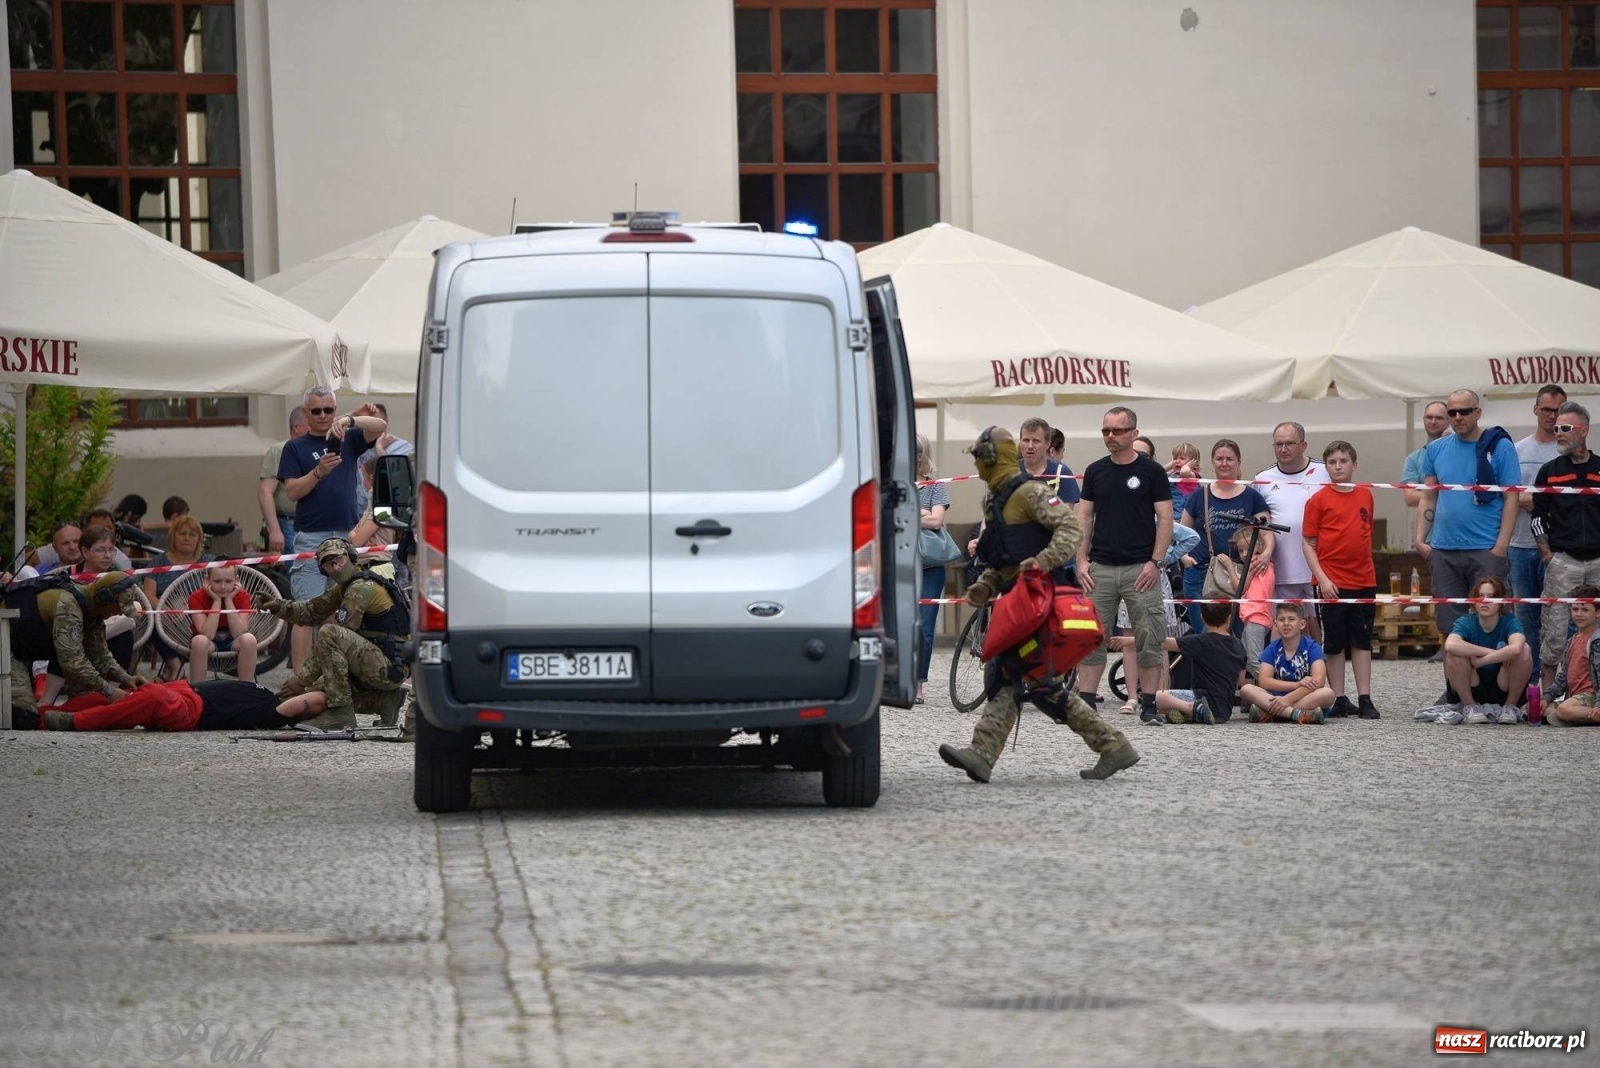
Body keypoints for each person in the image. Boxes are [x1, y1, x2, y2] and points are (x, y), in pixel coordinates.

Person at [936, 427, 1139, 783]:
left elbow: (1070, 530)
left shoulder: (1029, 493)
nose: (975, 464)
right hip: (1018, 602)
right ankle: (1113, 746)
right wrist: (986, 584)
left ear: (992, 458)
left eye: (978, 457)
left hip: (1042, 602)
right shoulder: (995, 501)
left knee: (1013, 673)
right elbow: (1004, 558)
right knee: (1038, 683)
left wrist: (1044, 561)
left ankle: (982, 754)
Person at [1074, 406, 1173, 726]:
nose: (1110, 437)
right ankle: (1085, 704)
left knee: (1148, 636)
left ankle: (1148, 705)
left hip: (1140, 569)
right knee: (1091, 636)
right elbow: (1084, 516)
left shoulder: (1152, 472)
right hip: (1100, 568)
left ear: (1134, 433)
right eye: (1106, 431)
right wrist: (1080, 560)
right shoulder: (1095, 471)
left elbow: (1166, 518)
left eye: (1117, 431)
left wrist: (1155, 562)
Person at [277, 388, 386, 675]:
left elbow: (380, 426)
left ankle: (330, 675)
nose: (323, 416)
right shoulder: (295, 447)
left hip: (344, 537)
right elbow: (291, 492)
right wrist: (317, 473)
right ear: (306, 413)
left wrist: (351, 419)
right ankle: (300, 678)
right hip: (312, 536)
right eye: (316, 411)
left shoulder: (346, 437)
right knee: (305, 612)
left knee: (337, 613)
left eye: (329, 410)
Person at [260, 538, 408, 731]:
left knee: (330, 633)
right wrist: (278, 606)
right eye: (328, 563)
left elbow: (335, 637)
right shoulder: (346, 586)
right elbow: (312, 610)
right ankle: (384, 700)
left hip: (388, 667)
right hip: (384, 664)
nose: (335, 566)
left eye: (339, 559)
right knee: (317, 690)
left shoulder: (360, 588)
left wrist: (301, 679)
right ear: (323, 570)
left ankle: (341, 715)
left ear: (351, 557)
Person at [1417, 389, 1518, 645]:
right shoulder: (1436, 449)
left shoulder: (1500, 446)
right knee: (1449, 628)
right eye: (1452, 412)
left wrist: (1501, 547)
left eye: (1465, 411)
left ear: (1478, 412)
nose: (1458, 417)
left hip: (1486, 548)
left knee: (1493, 623)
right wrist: (1420, 539)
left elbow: (1511, 497)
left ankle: (1491, 685)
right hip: (1443, 549)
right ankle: (1455, 685)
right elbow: (1429, 495)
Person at [2, 571, 149, 729]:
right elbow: (72, 662)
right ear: (103, 597)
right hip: (5, 650)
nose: (118, 613)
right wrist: (109, 691)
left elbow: (99, 654)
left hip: (18, 651)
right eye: (117, 607)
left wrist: (125, 678)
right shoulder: (69, 606)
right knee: (23, 718)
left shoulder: (92, 609)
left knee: (84, 702)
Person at [1302, 440, 1381, 720]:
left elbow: (1365, 534)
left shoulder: (1365, 495)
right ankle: (1338, 696)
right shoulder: (1318, 500)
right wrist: (1322, 579)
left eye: (1343, 461)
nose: (1338, 466)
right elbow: (1308, 543)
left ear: (1354, 465)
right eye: (1332, 462)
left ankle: (1365, 697)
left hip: (1363, 579)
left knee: (1361, 640)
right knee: (1333, 642)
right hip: (1330, 582)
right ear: (1326, 467)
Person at [1532, 401, 1600, 688]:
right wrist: (1549, 555)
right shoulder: (1549, 471)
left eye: (1565, 428)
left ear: (1583, 432)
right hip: (1563, 561)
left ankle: (1593, 694)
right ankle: (1546, 698)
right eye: (1557, 428)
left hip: (1599, 561)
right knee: (1555, 631)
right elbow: (1537, 517)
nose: (1558, 433)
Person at [1181, 439, 1272, 633]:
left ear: (1239, 462)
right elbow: (1181, 532)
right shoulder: (1199, 495)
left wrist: (1267, 554)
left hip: (1239, 575)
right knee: (1206, 635)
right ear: (1212, 462)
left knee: (1235, 635)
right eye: (1219, 458)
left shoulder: (1252, 496)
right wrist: (1183, 557)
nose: (1224, 463)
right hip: (1200, 573)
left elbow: (1267, 531)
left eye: (1229, 459)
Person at [1254, 421, 1330, 639]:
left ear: (1304, 445)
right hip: (1282, 568)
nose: (1283, 449)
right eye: (1278, 444)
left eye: (1289, 443)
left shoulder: (1324, 472)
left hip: (1318, 568)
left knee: (1316, 626)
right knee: (1285, 626)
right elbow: (1260, 524)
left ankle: (1318, 670)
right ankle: (1281, 672)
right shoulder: (1262, 479)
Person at [1111, 601, 1245, 724]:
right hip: (1225, 709)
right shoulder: (1239, 645)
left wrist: (1129, 641)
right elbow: (1241, 680)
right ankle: (1192, 714)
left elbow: (1163, 642)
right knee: (1166, 704)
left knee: (1157, 696)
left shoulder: (1201, 641)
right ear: (1228, 618)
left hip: (1201, 697)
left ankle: (1191, 708)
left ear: (1202, 618)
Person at [1511, 385, 1566, 669]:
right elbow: (1503, 492)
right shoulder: (1517, 450)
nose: (1552, 416)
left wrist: (1541, 502)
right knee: (1525, 616)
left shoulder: (1568, 451)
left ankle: (1564, 680)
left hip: (1559, 547)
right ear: (1535, 410)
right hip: (1520, 543)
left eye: (1557, 411)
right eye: (1546, 409)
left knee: (1561, 616)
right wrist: (1519, 498)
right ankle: (1529, 682)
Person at [38, 678, 315, 733]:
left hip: (191, 711)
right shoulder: (263, 689)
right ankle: (38, 716)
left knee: (153, 697)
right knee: (113, 695)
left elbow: (316, 700)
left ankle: (75, 723)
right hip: (183, 688)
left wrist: (328, 693)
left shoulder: (274, 713)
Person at [1442, 574, 1532, 723]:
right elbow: (1450, 645)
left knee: (1525, 650)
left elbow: (1517, 648)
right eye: (1480, 596)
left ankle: (1510, 707)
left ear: (1501, 602)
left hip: (1502, 685)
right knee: (1453, 653)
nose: (1485, 601)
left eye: (1491, 597)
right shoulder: (1466, 621)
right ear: (1473, 600)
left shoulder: (1510, 621)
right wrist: (1497, 654)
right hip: (1473, 684)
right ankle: (1469, 706)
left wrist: (1480, 661)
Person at [141, 515, 213, 681]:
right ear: (173, 536)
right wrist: (164, 610)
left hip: (200, 618)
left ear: (199, 539)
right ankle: (174, 664)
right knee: (147, 613)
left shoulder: (209, 562)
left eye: (192, 534)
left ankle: (172, 671)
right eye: (182, 533)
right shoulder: (158, 562)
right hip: (166, 617)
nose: (187, 538)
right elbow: (148, 594)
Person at [1238, 601, 1334, 723]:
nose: (1286, 623)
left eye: (1291, 619)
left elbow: (1319, 681)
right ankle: (1296, 714)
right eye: (1282, 620)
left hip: (1303, 696)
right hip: (1274, 696)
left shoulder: (1312, 647)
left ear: (1302, 624)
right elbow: (1264, 681)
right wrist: (1296, 684)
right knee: (1246, 689)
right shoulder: (1272, 648)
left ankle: (1271, 713)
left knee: (1328, 693)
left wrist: (1288, 699)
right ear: (1276, 624)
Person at [71, 524, 139, 672]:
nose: (108, 555)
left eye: (111, 550)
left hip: (107, 632)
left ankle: (115, 689)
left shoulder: (119, 574)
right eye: (101, 550)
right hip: (75, 631)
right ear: (85, 551)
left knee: (125, 635)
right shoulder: (68, 574)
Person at [914, 434, 950, 705]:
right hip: (900, 566)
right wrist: (923, 514)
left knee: (925, 626)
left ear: (922, 455)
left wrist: (909, 513)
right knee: (896, 623)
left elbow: (937, 520)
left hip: (930, 566)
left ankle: (918, 683)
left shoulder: (935, 486)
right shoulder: (892, 485)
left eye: (915, 452)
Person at [1218, 524, 1276, 680]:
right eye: (1241, 551)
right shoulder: (1263, 563)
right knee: (1247, 658)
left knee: (1254, 660)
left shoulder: (1254, 563)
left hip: (1256, 616)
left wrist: (1230, 566)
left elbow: (1240, 588)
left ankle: (1276, 688)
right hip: (1256, 616)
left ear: (1260, 546)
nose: (1244, 554)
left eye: (1247, 550)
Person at [187, 564, 257, 685]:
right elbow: (207, 634)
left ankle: (246, 689)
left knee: (249, 639)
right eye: (217, 581)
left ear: (237, 580)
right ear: (207, 580)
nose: (223, 587)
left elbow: (238, 633)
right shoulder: (196, 597)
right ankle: (196, 690)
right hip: (208, 643)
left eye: (229, 581)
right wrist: (217, 601)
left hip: (233, 641)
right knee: (199, 641)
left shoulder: (243, 596)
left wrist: (229, 600)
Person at [1545, 585, 1600, 726]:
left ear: (1598, 612)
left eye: (1585, 610)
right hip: (1575, 697)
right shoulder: (1572, 640)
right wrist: (1546, 698)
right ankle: (1578, 717)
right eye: (1575, 609)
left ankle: (1592, 714)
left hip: (1592, 695)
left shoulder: (1596, 641)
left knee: (1565, 710)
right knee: (1536, 707)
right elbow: (1562, 677)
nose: (1579, 614)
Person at [259, 405, 309, 554]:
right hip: (290, 523)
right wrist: (274, 531)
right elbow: (265, 492)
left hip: (312, 522)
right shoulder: (279, 450)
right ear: (297, 427)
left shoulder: (313, 449)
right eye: (310, 425)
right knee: (296, 571)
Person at [1401, 401, 1450, 509]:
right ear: (1423, 419)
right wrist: (1449, 494)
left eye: (1439, 418)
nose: (1433, 421)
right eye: (1429, 417)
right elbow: (1410, 498)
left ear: (1449, 420)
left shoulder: (1459, 450)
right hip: (1430, 522)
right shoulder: (1413, 459)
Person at [1165, 442, 1202, 518]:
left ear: (1193, 463)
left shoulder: (1192, 474)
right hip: (1172, 512)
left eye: (1182, 458)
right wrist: (1171, 464)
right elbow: (1157, 472)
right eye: (1175, 458)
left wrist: (1188, 466)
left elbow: (1184, 472)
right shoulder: (1173, 474)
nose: (1177, 461)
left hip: (1182, 514)